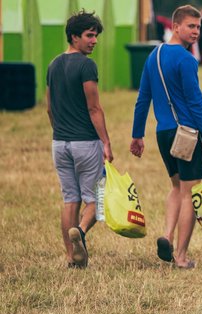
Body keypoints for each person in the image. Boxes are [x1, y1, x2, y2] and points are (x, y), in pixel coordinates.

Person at [130, 5, 202, 269]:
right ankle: (180, 256)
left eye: (199, 27)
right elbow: (196, 104)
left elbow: (142, 99)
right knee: (190, 193)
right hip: (188, 134)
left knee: (176, 188)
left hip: (164, 133)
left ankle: (167, 235)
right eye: (191, 26)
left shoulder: (153, 55)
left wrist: (137, 135)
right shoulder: (186, 59)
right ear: (176, 26)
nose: (196, 32)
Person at [46, 9, 113, 269]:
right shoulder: (86, 65)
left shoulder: (53, 64)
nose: (94, 41)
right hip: (85, 142)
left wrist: (60, 131)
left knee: (70, 200)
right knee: (98, 198)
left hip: (59, 143)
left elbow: (49, 108)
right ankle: (81, 232)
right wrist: (106, 142)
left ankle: (71, 257)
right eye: (89, 35)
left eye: (95, 36)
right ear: (74, 37)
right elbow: (94, 108)